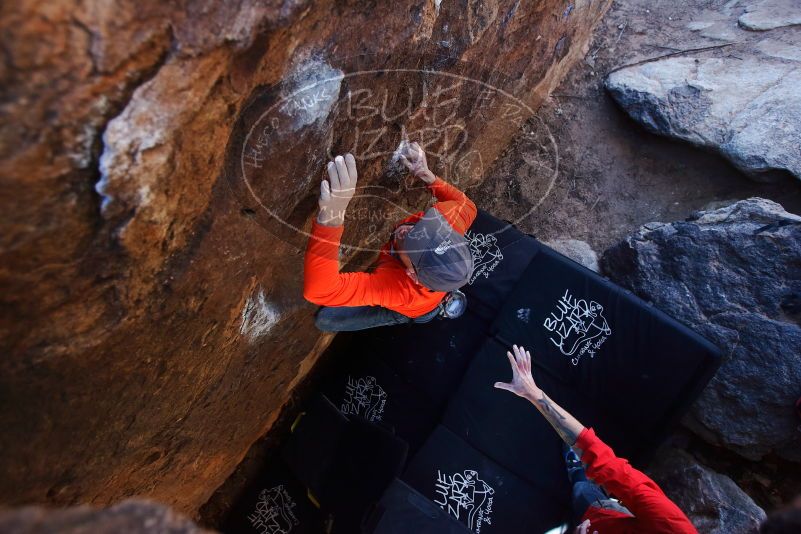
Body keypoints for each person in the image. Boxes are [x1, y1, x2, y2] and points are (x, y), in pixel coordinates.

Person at [494, 344, 697, 534]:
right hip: (600, 513)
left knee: (580, 495)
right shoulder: (674, 528)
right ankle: (578, 473)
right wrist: (534, 394)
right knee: (581, 489)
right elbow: (609, 465)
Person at [303, 142, 477, 332]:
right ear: (448, 231)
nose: (407, 231)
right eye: (424, 227)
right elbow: (467, 205)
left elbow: (320, 290)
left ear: (411, 274)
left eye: (411, 244)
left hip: (418, 309)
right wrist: (426, 174)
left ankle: (400, 314)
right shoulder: (448, 218)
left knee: (326, 320)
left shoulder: (401, 291)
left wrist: (331, 219)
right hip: (436, 281)